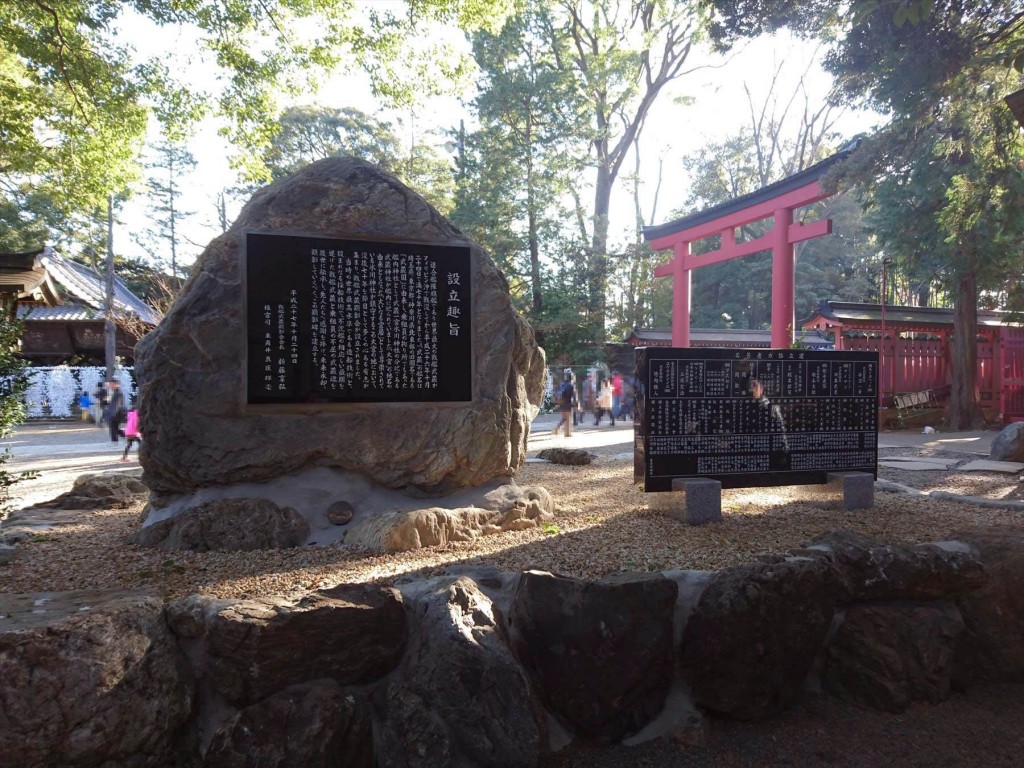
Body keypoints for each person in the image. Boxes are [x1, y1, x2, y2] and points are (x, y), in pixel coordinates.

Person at [750, 378, 789, 469]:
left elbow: (782, 430)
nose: (752, 390)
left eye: (755, 386)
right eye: (751, 387)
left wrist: (784, 451)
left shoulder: (772, 407)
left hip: (770, 451)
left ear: (762, 388)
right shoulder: (750, 406)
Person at [552, 369, 576, 437]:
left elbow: (557, 393)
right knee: (568, 418)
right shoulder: (571, 385)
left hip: (561, 403)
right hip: (568, 403)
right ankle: (566, 433)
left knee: (565, 418)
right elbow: (573, 395)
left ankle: (561, 430)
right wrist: (576, 404)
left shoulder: (562, 384)